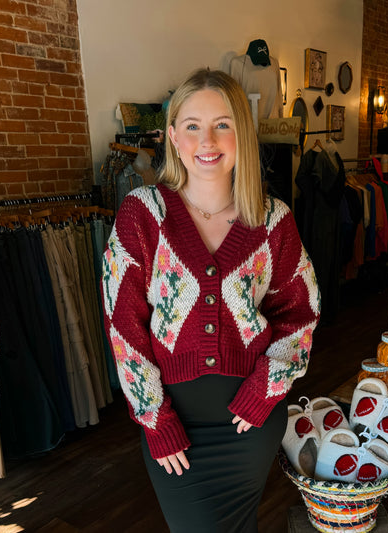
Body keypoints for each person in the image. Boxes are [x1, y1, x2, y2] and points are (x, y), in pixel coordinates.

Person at [101, 68, 320, 532]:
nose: (208, 140)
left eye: (223, 124)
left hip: (252, 421)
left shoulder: (272, 220)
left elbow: (299, 315)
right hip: (172, 421)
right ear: (174, 138)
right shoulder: (143, 215)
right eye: (193, 125)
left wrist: (266, 390)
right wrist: (156, 420)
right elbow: (123, 327)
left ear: (242, 134)